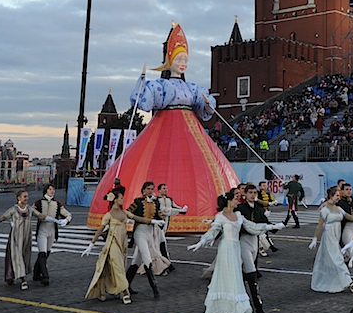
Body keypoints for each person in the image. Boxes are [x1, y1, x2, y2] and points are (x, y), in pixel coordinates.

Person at [85, 23, 240, 233]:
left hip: (190, 127)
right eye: (178, 59)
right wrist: (141, 83)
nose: (182, 63)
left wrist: (207, 102)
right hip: (165, 124)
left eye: (185, 59)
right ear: (169, 61)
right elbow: (145, 102)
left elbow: (206, 111)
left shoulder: (192, 88)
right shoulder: (162, 86)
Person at [188, 189, 282, 313]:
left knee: (237, 276)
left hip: (236, 248)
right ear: (229, 201)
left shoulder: (238, 215)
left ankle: (236, 308)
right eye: (235, 199)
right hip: (226, 249)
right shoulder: (221, 216)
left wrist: (271, 227)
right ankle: (236, 309)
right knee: (230, 277)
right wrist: (202, 241)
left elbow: (252, 226)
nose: (238, 201)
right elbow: (214, 231)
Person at [82, 188, 159, 304]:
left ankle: (102, 291)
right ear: (115, 200)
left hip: (123, 244)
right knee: (118, 268)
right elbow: (100, 230)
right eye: (121, 198)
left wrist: (153, 222)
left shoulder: (124, 213)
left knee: (120, 268)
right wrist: (91, 244)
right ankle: (125, 293)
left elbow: (137, 218)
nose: (123, 200)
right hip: (113, 243)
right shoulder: (108, 215)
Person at [0, 190, 52, 290]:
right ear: (19, 198)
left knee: (24, 257)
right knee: (17, 257)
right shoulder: (13, 209)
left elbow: (41, 216)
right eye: (24, 196)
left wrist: (55, 220)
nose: (26, 198)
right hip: (16, 238)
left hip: (26, 238)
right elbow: (2, 218)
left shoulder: (30, 209)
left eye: (27, 196)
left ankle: (12, 277)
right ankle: (23, 280)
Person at [236, 184, 284, 313]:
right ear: (245, 194)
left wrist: (276, 227)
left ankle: (246, 302)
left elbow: (265, 221)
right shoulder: (240, 208)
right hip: (243, 241)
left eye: (254, 192)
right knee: (251, 275)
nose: (253, 195)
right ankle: (258, 306)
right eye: (250, 192)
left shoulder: (258, 208)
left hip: (254, 242)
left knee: (249, 273)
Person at [310, 186, 353, 293]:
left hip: (336, 236)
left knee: (333, 259)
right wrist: (315, 238)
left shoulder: (339, 209)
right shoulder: (325, 210)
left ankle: (336, 280)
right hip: (329, 237)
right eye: (336, 196)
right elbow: (319, 225)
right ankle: (349, 282)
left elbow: (350, 217)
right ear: (331, 196)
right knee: (338, 259)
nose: (338, 198)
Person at [125, 181, 168, 298]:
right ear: (143, 190)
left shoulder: (156, 202)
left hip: (150, 233)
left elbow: (160, 215)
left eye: (151, 188)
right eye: (148, 188)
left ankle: (126, 285)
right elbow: (128, 213)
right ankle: (155, 289)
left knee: (136, 261)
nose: (150, 190)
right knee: (147, 258)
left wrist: (162, 222)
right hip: (140, 232)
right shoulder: (138, 202)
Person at [32, 184, 72, 286]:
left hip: (52, 231)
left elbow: (67, 214)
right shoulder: (38, 202)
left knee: (47, 252)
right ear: (45, 191)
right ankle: (45, 276)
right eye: (50, 189)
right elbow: (31, 211)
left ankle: (36, 273)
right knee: (42, 253)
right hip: (42, 230)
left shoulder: (57, 203)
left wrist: (66, 220)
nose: (52, 191)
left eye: (53, 189)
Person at [156, 183, 187, 271]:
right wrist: (180, 211)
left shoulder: (169, 199)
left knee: (161, 241)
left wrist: (181, 209)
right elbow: (164, 210)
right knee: (160, 242)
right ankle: (165, 261)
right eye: (164, 188)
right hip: (158, 222)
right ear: (159, 190)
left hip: (166, 221)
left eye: (166, 188)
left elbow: (174, 206)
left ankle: (163, 261)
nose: (166, 190)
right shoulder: (157, 200)